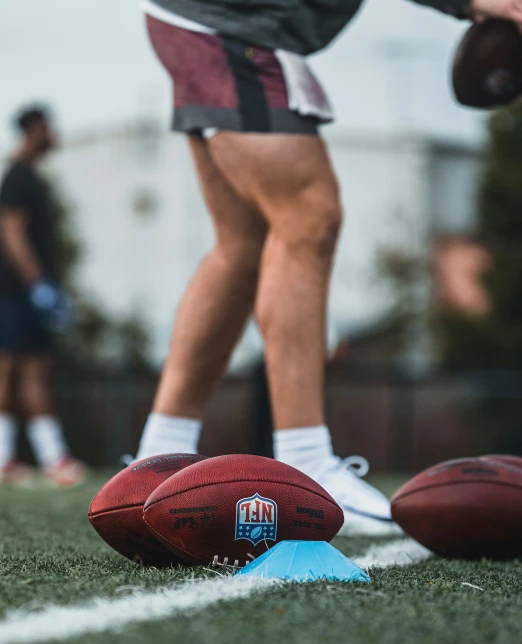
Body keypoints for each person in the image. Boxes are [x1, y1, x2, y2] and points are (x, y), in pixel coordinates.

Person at [136, 0, 520, 534]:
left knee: (242, 244)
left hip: (211, 20)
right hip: (231, 21)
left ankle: (158, 456)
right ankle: (305, 461)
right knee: (309, 216)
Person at [0, 105, 86, 487]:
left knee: (33, 369)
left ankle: (46, 458)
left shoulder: (30, 176)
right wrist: (37, 284)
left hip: (22, 295)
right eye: (49, 126)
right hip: (14, 294)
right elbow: (12, 232)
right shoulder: (19, 176)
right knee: (10, 370)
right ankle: (42, 459)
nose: (54, 133)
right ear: (33, 129)